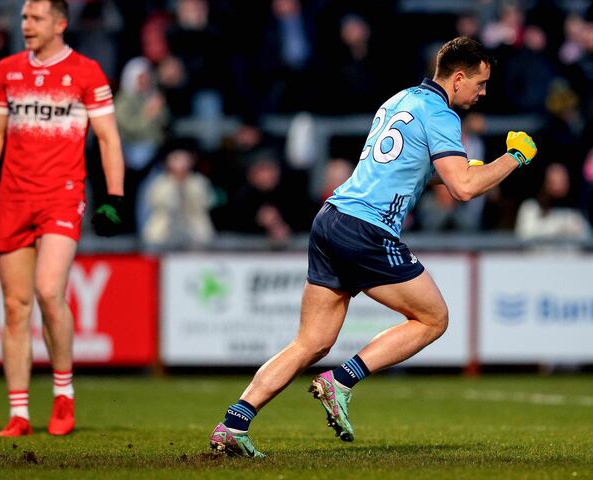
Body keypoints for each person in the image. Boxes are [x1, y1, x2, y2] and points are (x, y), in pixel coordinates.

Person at [209, 36, 538, 457]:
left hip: (331, 218)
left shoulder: (401, 99)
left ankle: (233, 424)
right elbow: (465, 189)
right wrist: (515, 157)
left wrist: (454, 169)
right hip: (367, 228)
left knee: (311, 342)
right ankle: (341, 381)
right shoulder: (441, 113)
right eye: (480, 83)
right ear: (458, 78)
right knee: (433, 319)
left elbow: (407, 169)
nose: (483, 92)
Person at [0, 0, 125, 437]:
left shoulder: (87, 72)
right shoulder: (7, 71)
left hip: (61, 196)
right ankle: (18, 413)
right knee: (15, 308)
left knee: (48, 290)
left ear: (60, 23)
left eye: (34, 18)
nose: (26, 25)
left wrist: (114, 196)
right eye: (23, 18)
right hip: (14, 199)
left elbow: (109, 139)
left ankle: (63, 394)